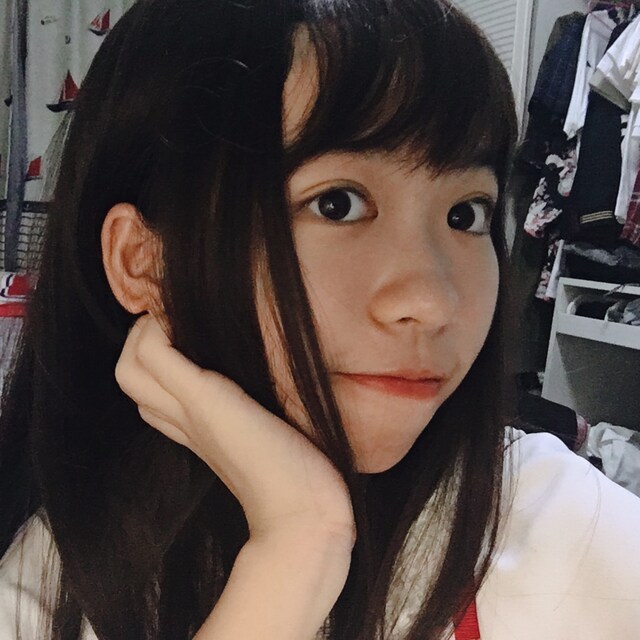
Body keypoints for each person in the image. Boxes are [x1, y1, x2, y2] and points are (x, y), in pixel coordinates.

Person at [1, 0, 639, 638]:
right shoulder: (56, 586)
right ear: (143, 262)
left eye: (465, 214)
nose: (433, 302)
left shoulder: (557, 525)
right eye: (337, 204)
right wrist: (297, 547)